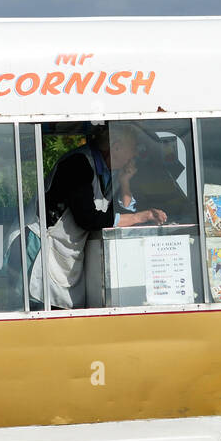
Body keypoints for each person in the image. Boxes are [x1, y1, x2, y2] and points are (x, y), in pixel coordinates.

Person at [27, 125, 167, 308]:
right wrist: (141, 217)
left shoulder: (110, 172)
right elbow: (88, 218)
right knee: (37, 313)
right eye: (133, 149)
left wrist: (125, 184)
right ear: (115, 147)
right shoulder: (78, 164)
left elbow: (118, 215)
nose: (134, 155)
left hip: (65, 253)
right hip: (39, 248)